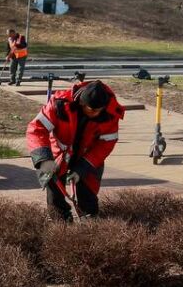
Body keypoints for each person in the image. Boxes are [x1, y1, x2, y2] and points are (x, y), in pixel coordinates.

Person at [25, 78, 125, 221]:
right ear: (82, 103)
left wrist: (82, 168)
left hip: (89, 157)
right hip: (58, 155)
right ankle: (61, 226)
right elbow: (36, 129)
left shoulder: (110, 114)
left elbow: (105, 145)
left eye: (99, 110)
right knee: (54, 193)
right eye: (92, 110)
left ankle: (90, 224)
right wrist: (43, 159)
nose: (95, 113)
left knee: (88, 195)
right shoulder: (59, 104)